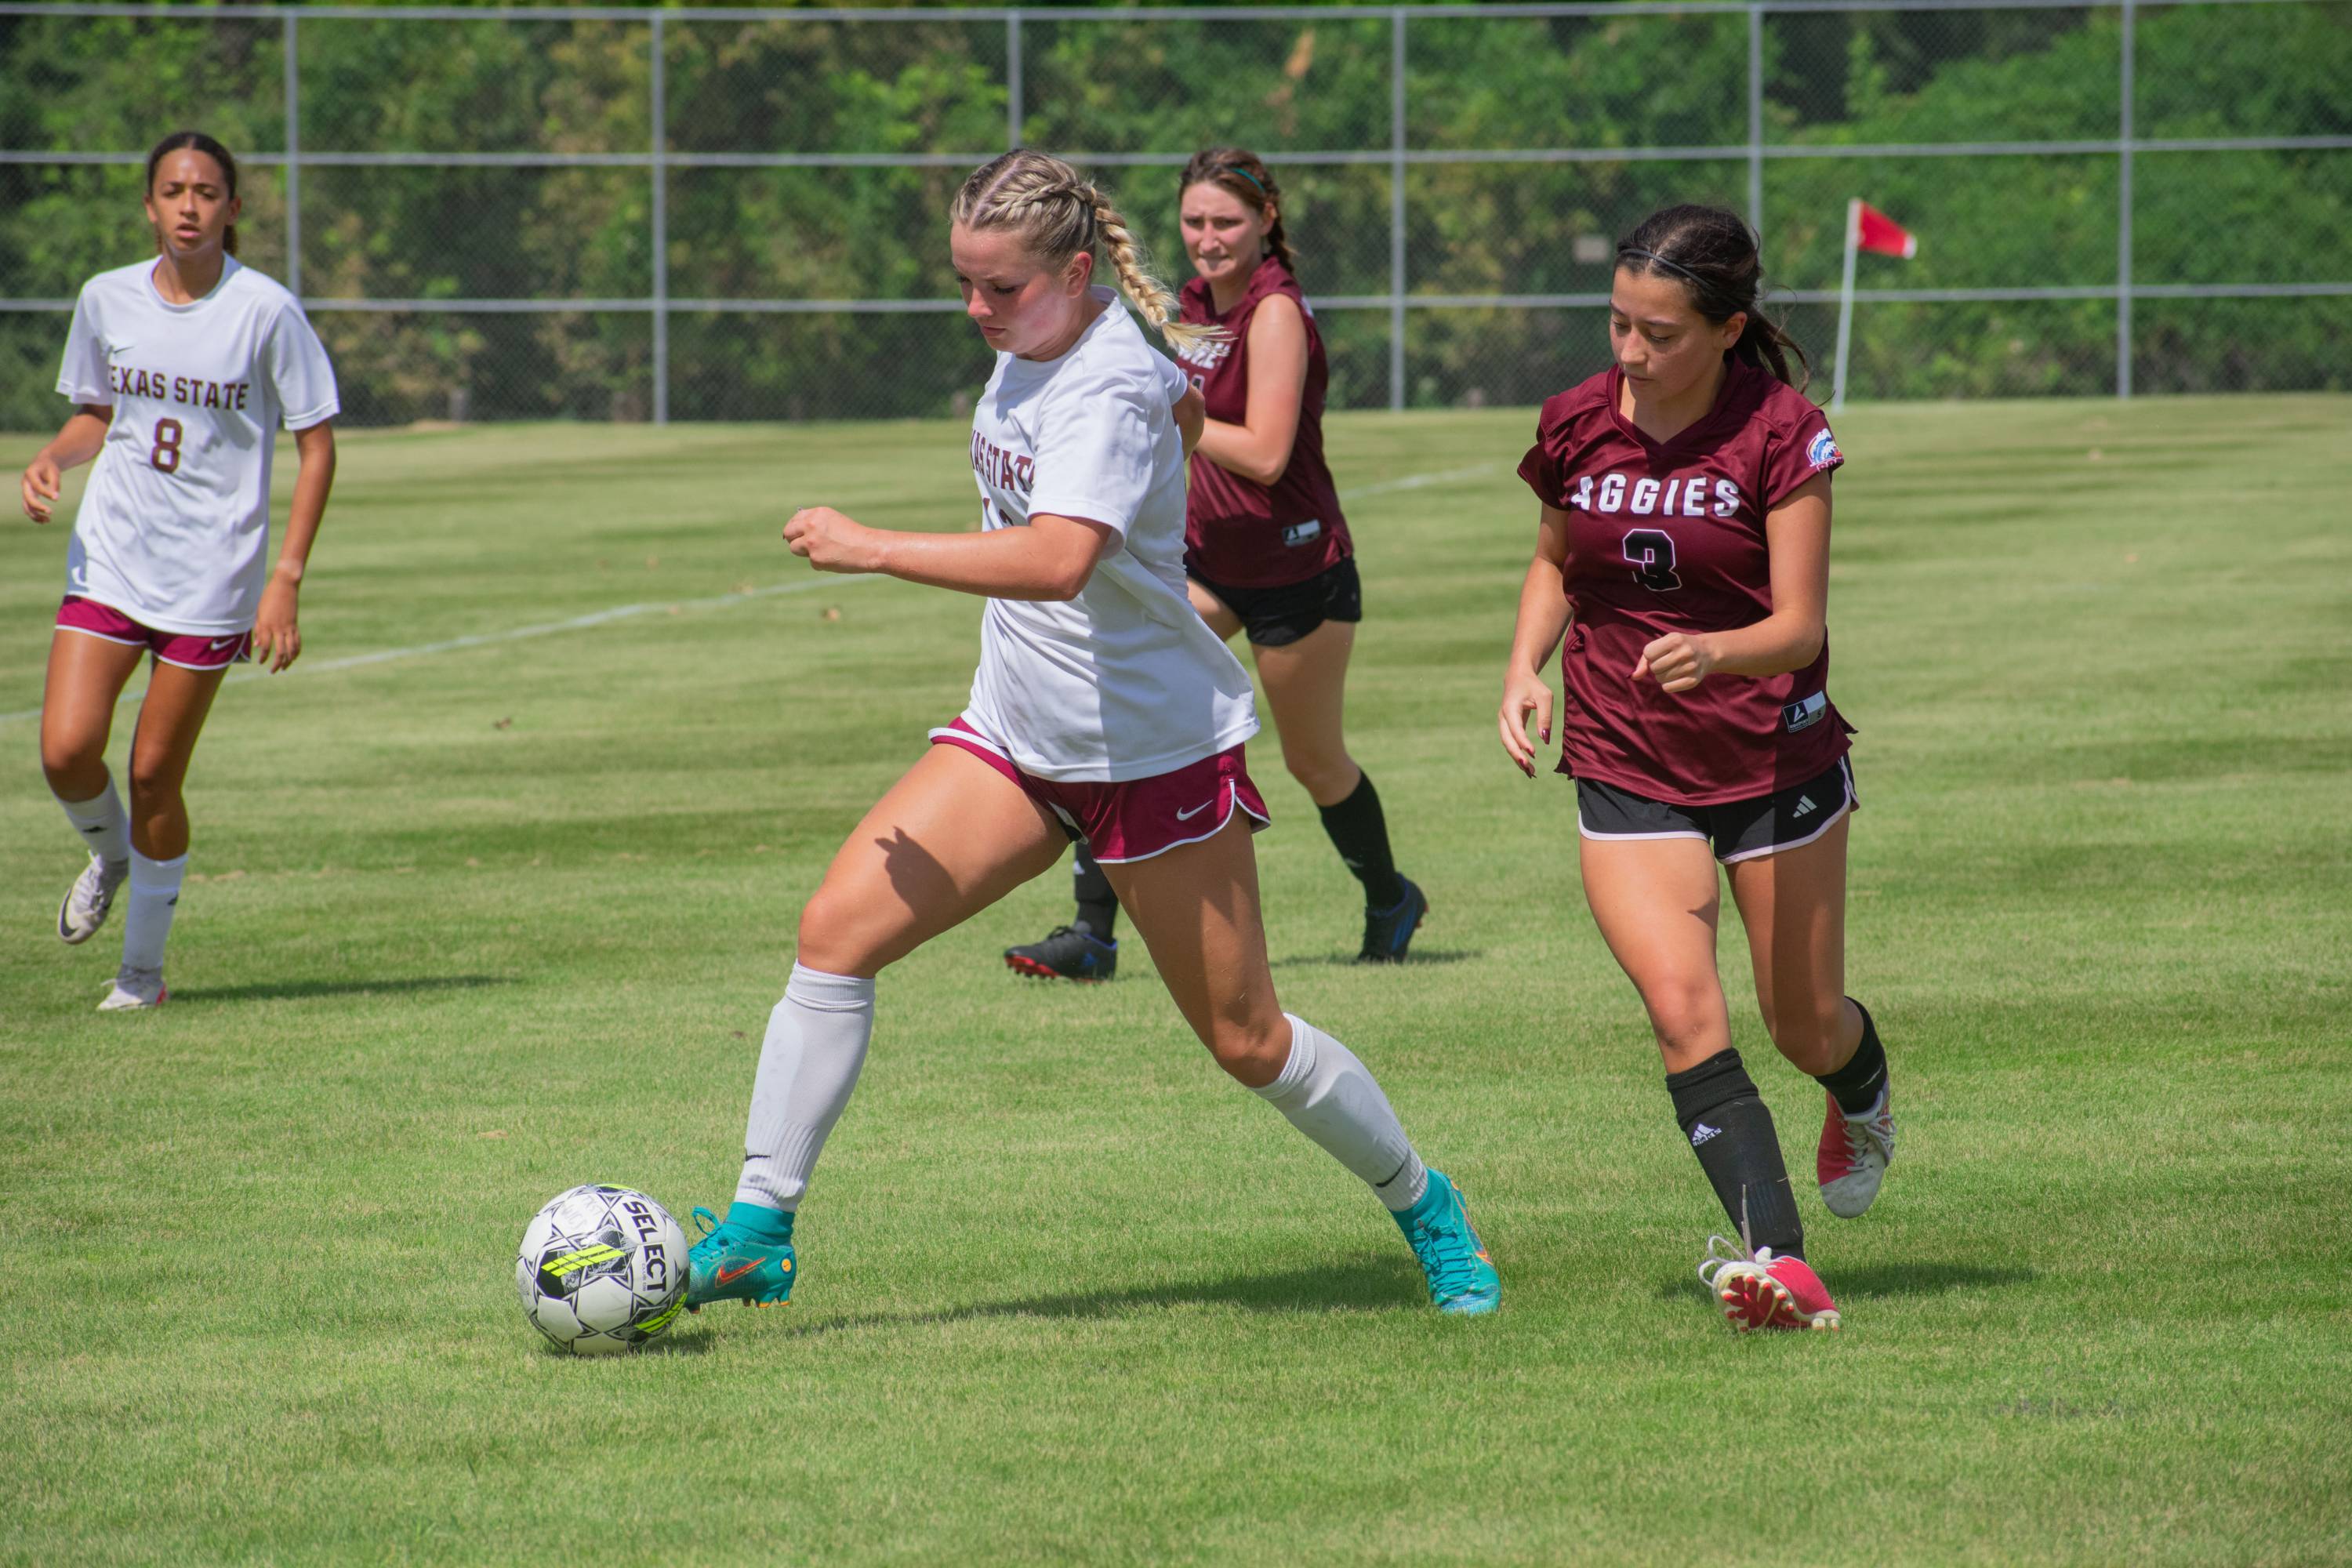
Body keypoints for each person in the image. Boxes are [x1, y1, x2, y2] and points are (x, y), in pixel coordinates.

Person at [684, 151, 1498, 1319]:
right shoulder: (1065, 340)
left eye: (999, 288)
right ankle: (762, 1226)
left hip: (1151, 755)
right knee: (834, 935)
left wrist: (875, 547)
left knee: (1248, 1040)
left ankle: (1426, 1203)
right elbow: (1189, 406)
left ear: (1071, 270)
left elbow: (1061, 560)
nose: (976, 310)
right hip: (1017, 739)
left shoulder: (1103, 378)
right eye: (964, 283)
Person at [1497, 205, 1895, 1332]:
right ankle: (1782, 1260)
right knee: (1684, 1014)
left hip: (1773, 754)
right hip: (1627, 757)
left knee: (1804, 1025)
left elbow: (1800, 624)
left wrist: (1717, 650)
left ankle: (1859, 1094)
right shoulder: (1576, 420)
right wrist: (1526, 667)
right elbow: (1555, 564)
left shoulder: (1782, 430)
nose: (1629, 353)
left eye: (1658, 333)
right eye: (1619, 324)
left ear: (1728, 329)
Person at [1002, 147, 1424, 982]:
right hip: (1204, 562)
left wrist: (1166, 409)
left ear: (1267, 220)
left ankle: (1389, 894)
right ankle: (1093, 933)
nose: (1207, 237)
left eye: (1226, 221)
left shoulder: (1275, 314)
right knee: (1120, 710)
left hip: (1298, 568)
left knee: (1314, 760)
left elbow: (1266, 454)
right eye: (1194, 220)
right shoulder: (1190, 302)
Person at [19, 130, 339, 1011]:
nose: (189, 206)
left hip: (213, 575)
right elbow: (98, 412)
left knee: (157, 772)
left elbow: (316, 447)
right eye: (172, 190)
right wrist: (55, 456)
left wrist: (287, 577)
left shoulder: (265, 310)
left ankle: (141, 973)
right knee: (65, 749)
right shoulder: (107, 298)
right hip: (114, 555)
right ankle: (111, 851)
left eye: (206, 192)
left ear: (232, 209)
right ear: (150, 205)